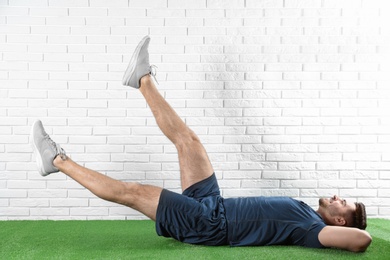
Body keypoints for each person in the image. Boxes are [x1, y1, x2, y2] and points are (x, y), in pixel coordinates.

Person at [31, 36, 372, 252]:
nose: (339, 197)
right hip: (213, 204)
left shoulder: (313, 230)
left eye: (345, 205)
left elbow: (362, 240)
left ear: (340, 222)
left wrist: (357, 231)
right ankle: (142, 78)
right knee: (188, 140)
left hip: (208, 224)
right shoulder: (305, 212)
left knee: (132, 191)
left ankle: (56, 160)